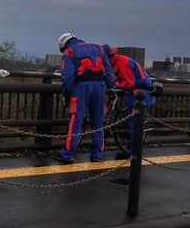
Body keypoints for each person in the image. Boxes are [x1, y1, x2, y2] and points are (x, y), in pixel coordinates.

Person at [54, 32, 115, 164]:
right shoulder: (99, 48)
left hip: (81, 87)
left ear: (64, 44)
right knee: (98, 122)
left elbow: (67, 77)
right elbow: (109, 71)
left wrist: (67, 94)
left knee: (76, 120)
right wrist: (110, 87)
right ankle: (97, 154)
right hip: (100, 87)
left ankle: (68, 154)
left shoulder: (69, 52)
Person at [102, 44, 157, 158]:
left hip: (138, 93)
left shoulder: (122, 63)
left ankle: (133, 152)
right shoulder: (119, 61)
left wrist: (114, 84)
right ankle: (133, 150)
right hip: (138, 92)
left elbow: (129, 83)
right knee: (132, 122)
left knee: (133, 124)